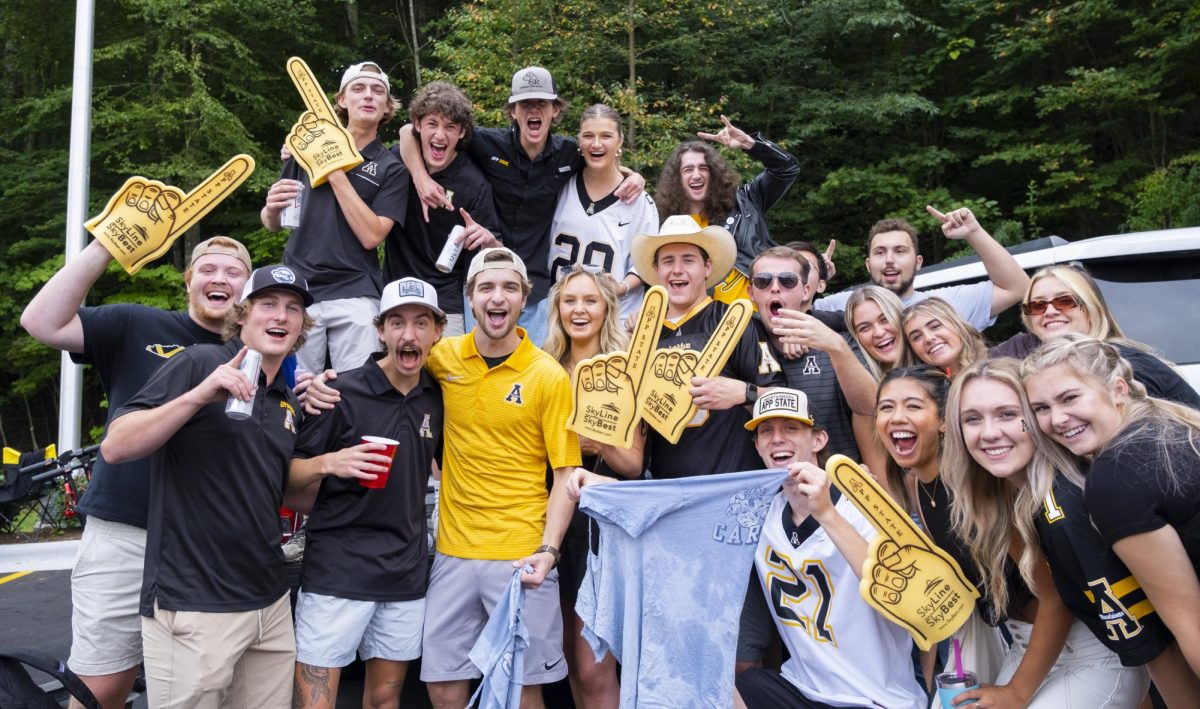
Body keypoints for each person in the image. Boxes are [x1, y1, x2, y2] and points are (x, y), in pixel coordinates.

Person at [20, 236, 251, 709]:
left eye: (234, 272)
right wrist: (108, 243)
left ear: (247, 289)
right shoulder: (137, 321)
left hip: (206, 546)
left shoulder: (261, 353)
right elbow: (40, 322)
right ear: (189, 280)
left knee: (204, 688)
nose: (220, 279)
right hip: (126, 532)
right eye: (208, 268)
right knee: (101, 688)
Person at [100, 265, 314, 709]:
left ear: (302, 327)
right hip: (195, 604)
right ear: (243, 315)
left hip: (269, 604)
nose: (282, 316)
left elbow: (277, 490)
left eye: (294, 308)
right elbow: (116, 447)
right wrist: (199, 395)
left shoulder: (285, 399)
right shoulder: (200, 362)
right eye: (268, 304)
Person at [943, 358, 1168, 706]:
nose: (988, 433)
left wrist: (1017, 693)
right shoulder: (999, 488)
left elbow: (1060, 603)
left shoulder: (1067, 496)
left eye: (1006, 414)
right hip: (1042, 650)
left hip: (1103, 654)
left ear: (1034, 417)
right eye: (972, 418)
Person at [419, 247, 581, 708]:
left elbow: (566, 471)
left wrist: (549, 552)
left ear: (525, 298)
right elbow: (394, 379)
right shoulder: (443, 357)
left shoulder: (547, 375)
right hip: (452, 550)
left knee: (522, 690)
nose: (498, 297)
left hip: (521, 554)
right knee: (443, 686)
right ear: (470, 298)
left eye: (510, 287)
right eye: (486, 287)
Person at [285, 277, 446, 709]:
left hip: (404, 572)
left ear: (438, 331)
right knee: (316, 703)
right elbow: (285, 478)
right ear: (380, 331)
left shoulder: (440, 396)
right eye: (396, 323)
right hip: (337, 570)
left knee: (385, 699)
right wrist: (330, 463)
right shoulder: (337, 392)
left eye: (421, 323)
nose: (408, 335)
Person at [397, 66, 644, 345]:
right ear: (513, 111)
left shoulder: (567, 155)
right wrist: (420, 178)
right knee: (478, 369)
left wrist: (631, 175)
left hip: (536, 289)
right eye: (525, 104)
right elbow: (408, 131)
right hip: (485, 281)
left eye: (542, 104)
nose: (533, 110)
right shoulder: (486, 144)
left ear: (555, 111)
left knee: (532, 374)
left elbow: (599, 157)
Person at [875, 365, 1072, 698]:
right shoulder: (917, 488)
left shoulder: (979, 485)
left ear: (943, 421)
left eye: (912, 405)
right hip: (1018, 643)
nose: (896, 417)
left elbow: (1056, 599)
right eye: (886, 407)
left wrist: (1017, 692)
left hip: (1064, 643)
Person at [733, 388, 926, 709]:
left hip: (875, 698)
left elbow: (905, 596)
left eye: (791, 428)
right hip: (803, 689)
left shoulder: (863, 504)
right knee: (721, 687)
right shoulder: (756, 514)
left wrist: (827, 512)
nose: (777, 438)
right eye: (766, 431)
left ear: (819, 440)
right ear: (757, 446)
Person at [1023, 335, 1200, 679]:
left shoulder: (1116, 476)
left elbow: (1191, 622)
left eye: (1070, 397)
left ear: (1119, 389)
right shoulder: (1173, 425)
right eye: (1041, 408)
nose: (1057, 419)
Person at [603, 215, 786, 481]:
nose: (677, 270)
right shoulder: (640, 336)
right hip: (669, 491)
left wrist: (744, 392)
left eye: (688, 259)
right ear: (656, 270)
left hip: (734, 486)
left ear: (707, 267)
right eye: (668, 261)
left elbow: (785, 399)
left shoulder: (735, 322)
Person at [262, 61, 408, 373]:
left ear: (386, 107)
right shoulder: (305, 147)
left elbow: (372, 236)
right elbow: (278, 224)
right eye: (358, 88)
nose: (368, 96)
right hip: (300, 287)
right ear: (342, 100)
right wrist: (270, 210)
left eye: (377, 91)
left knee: (357, 392)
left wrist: (335, 171)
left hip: (356, 291)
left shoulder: (391, 168)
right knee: (294, 393)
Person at [542, 266, 629, 708]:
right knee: (568, 664)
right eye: (570, 300)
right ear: (557, 309)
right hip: (548, 522)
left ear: (606, 308)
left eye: (590, 300)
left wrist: (592, 439)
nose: (579, 309)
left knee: (594, 668)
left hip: (600, 526)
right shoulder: (544, 367)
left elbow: (631, 462)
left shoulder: (624, 370)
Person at [384, 81, 502, 336]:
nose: (440, 135)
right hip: (396, 296)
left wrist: (488, 240)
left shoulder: (475, 184)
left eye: (450, 127)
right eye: (432, 124)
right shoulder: (396, 161)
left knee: (448, 376)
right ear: (417, 125)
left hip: (446, 306)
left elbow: (494, 255)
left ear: (461, 133)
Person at [994, 264, 1200, 407]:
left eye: (1065, 301)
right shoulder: (1029, 356)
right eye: (1038, 305)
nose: (1050, 311)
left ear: (1092, 309)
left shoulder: (1126, 363)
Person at [746, 246, 875, 461]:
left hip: (838, 483)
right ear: (751, 292)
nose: (775, 288)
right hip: (772, 489)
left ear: (806, 291)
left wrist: (837, 346)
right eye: (763, 281)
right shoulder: (742, 341)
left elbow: (870, 406)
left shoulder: (835, 340)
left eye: (787, 281)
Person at [654, 115, 800, 304]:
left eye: (703, 168)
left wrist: (749, 143)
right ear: (677, 179)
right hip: (709, 325)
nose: (696, 175)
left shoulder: (746, 201)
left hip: (761, 315)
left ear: (714, 173)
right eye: (688, 169)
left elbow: (787, 168)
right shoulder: (671, 227)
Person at [815, 206, 1030, 331]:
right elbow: (787, 310)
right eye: (880, 252)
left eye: (900, 251)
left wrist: (973, 232)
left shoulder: (947, 304)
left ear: (918, 262)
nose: (889, 260)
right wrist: (812, 275)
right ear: (868, 264)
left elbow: (1019, 288)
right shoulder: (836, 305)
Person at [547, 104, 658, 321]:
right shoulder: (559, 186)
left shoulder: (640, 203)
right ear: (579, 140)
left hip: (615, 322)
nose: (596, 144)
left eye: (606, 135)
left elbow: (648, 262)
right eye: (588, 135)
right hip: (558, 320)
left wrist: (622, 287)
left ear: (620, 140)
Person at [902, 296, 987, 375]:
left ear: (957, 325)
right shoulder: (923, 389)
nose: (928, 338)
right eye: (917, 337)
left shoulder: (997, 363)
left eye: (935, 327)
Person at [845, 285, 909, 380]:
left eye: (885, 319)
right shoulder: (859, 387)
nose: (879, 333)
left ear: (902, 317)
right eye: (865, 328)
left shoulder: (935, 366)